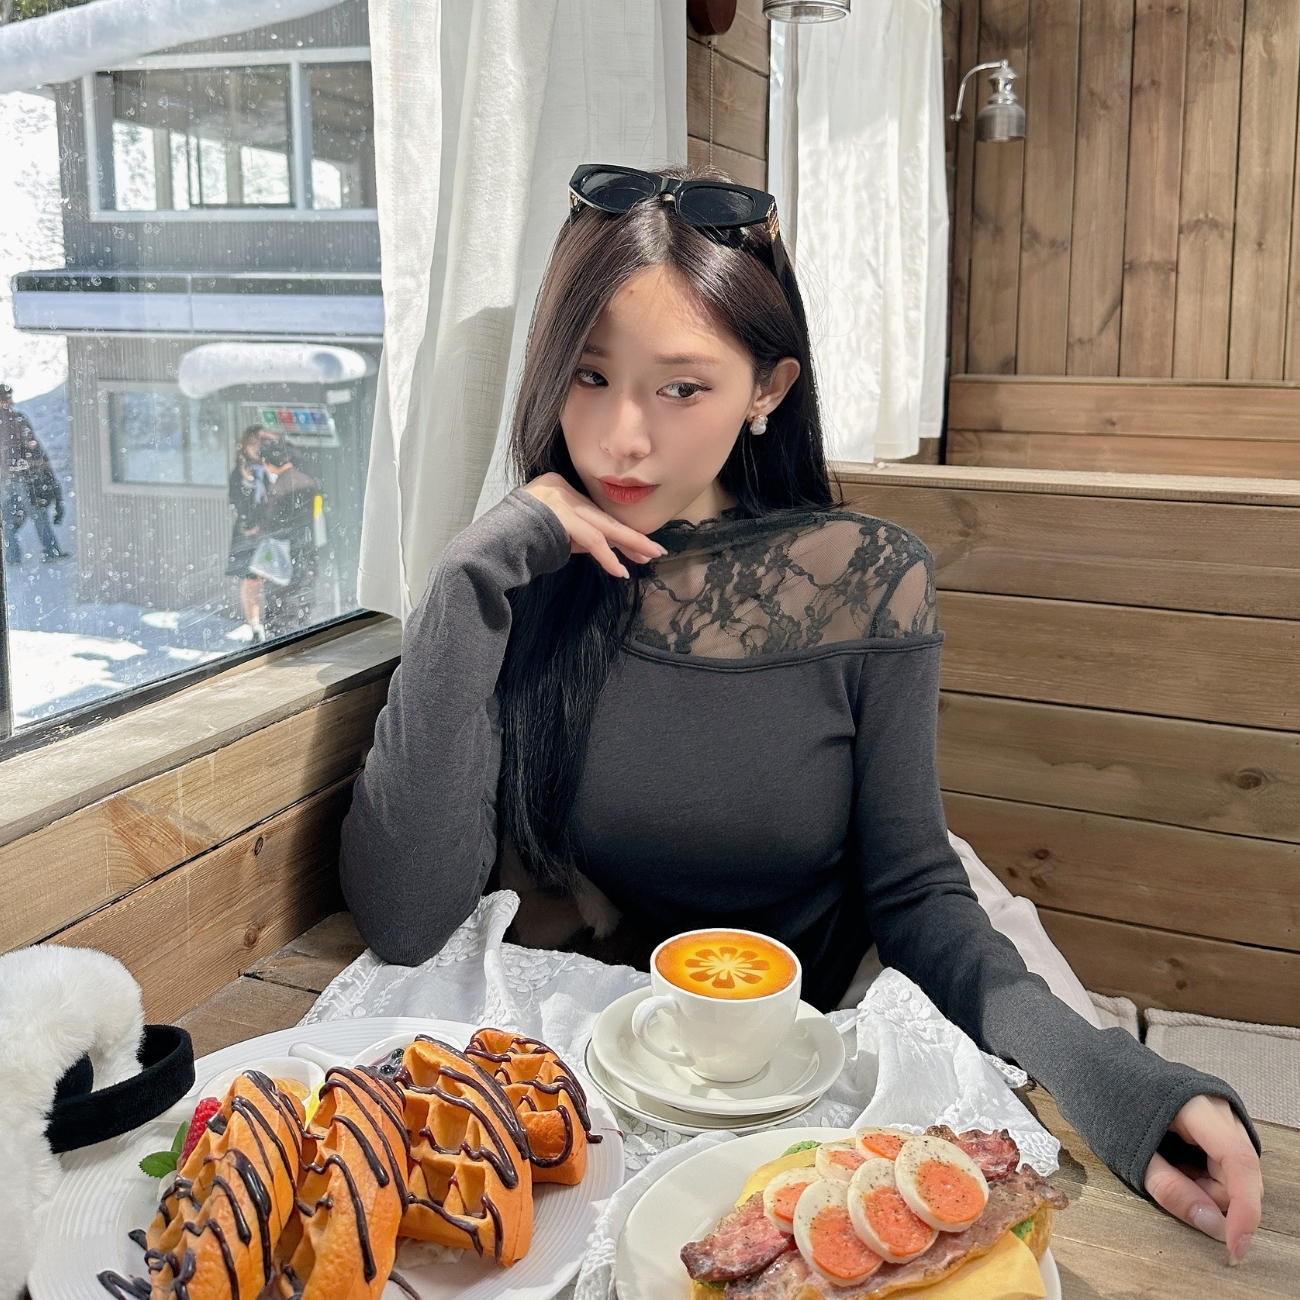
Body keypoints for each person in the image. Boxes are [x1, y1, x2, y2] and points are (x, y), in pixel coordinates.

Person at [338, 165, 1264, 1260]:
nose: (622, 437)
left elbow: (917, 892)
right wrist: (468, 578)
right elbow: (404, 917)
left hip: (821, 1064)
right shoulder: (524, 576)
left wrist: (1118, 1084)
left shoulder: (865, 578)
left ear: (766, 388)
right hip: (602, 1082)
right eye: (589, 375)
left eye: (682, 388)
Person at [258, 436, 320, 636]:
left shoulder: (278, 488)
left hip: (284, 556)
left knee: (281, 611)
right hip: (307, 551)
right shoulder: (307, 481)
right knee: (302, 605)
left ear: (268, 463)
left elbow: (271, 525)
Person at [1, 383, 68, 566]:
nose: (10, 401)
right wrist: (41, 466)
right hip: (23, 475)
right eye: (7, 397)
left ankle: (12, 558)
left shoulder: (14, 419)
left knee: (7, 518)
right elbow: (32, 445)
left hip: (4, 478)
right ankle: (51, 551)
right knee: (37, 513)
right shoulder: (16, 419)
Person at [226, 425, 270, 640]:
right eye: (252, 444)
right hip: (247, 532)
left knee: (268, 578)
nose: (256, 449)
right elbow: (236, 500)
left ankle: (269, 622)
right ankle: (255, 626)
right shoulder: (240, 472)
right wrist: (247, 482)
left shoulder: (271, 468)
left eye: (260, 444)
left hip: (268, 531)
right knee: (249, 580)